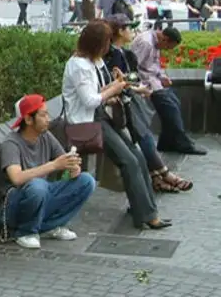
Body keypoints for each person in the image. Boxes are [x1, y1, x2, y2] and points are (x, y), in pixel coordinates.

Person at [62, 20, 171, 230]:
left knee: (137, 156)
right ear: (97, 43)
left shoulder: (94, 61)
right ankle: (147, 215)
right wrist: (115, 88)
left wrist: (117, 85)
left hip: (101, 116)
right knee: (129, 161)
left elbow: (99, 91)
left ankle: (145, 209)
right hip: (89, 121)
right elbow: (91, 100)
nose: (108, 47)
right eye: (105, 42)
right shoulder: (79, 65)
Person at [0, 94, 95, 249]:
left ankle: (50, 226)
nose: (48, 118)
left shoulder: (45, 135)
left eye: (47, 113)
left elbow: (63, 159)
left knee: (86, 181)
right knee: (37, 185)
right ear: (28, 119)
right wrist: (54, 165)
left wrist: (73, 166)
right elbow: (17, 178)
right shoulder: (11, 143)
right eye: (43, 115)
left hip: (40, 195)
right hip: (11, 207)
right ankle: (25, 232)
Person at [104, 15, 193, 192]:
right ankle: (165, 174)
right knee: (144, 136)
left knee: (146, 134)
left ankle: (158, 177)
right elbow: (120, 83)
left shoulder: (122, 53)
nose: (133, 32)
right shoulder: (115, 54)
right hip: (121, 105)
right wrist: (140, 89)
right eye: (129, 28)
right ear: (120, 31)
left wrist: (140, 85)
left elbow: (131, 76)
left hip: (131, 98)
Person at [131, 27, 207, 155]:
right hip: (144, 83)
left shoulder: (156, 42)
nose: (166, 50)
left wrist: (162, 76)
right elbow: (134, 66)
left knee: (174, 101)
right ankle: (182, 143)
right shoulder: (146, 43)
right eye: (168, 47)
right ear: (165, 39)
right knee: (170, 106)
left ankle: (167, 142)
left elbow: (153, 65)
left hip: (153, 81)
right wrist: (142, 87)